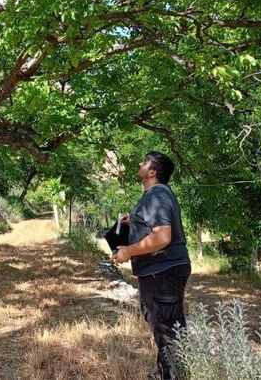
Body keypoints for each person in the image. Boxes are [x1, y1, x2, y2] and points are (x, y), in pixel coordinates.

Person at [111, 151, 191, 380]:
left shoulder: (157, 194)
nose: (140, 164)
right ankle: (166, 373)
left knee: (168, 330)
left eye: (144, 162)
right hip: (159, 271)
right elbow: (153, 226)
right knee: (164, 326)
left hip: (163, 270)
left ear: (153, 171)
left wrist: (128, 250)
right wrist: (133, 220)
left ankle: (176, 375)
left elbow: (162, 237)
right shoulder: (154, 195)